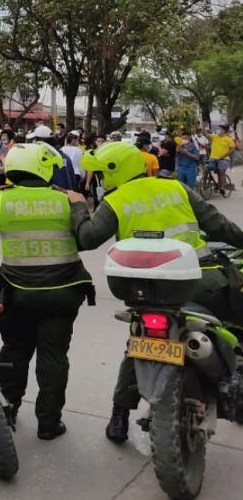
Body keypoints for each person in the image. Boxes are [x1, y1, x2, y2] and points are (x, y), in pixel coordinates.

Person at [73, 141, 243, 442]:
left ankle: (119, 417)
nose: (99, 180)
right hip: (199, 280)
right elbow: (217, 225)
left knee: (139, 342)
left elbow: (87, 239)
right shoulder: (176, 188)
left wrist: (77, 207)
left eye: (101, 174)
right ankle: (233, 384)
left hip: (147, 291)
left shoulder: (116, 201)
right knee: (235, 319)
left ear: (115, 171)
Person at [0, 143, 93, 440]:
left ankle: (7, 412)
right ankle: (49, 423)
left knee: (15, 351)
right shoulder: (66, 200)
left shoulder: (1, 200)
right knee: (54, 357)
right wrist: (80, 205)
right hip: (62, 293)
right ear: (44, 168)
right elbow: (86, 238)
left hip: (17, 294)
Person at [208, 124, 236, 195]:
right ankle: (206, 185)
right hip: (213, 158)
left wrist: (224, 155)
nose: (219, 130)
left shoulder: (228, 139)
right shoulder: (214, 136)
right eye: (218, 129)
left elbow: (232, 149)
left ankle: (222, 187)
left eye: (220, 129)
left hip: (224, 159)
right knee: (207, 169)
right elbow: (206, 135)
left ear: (224, 131)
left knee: (221, 170)